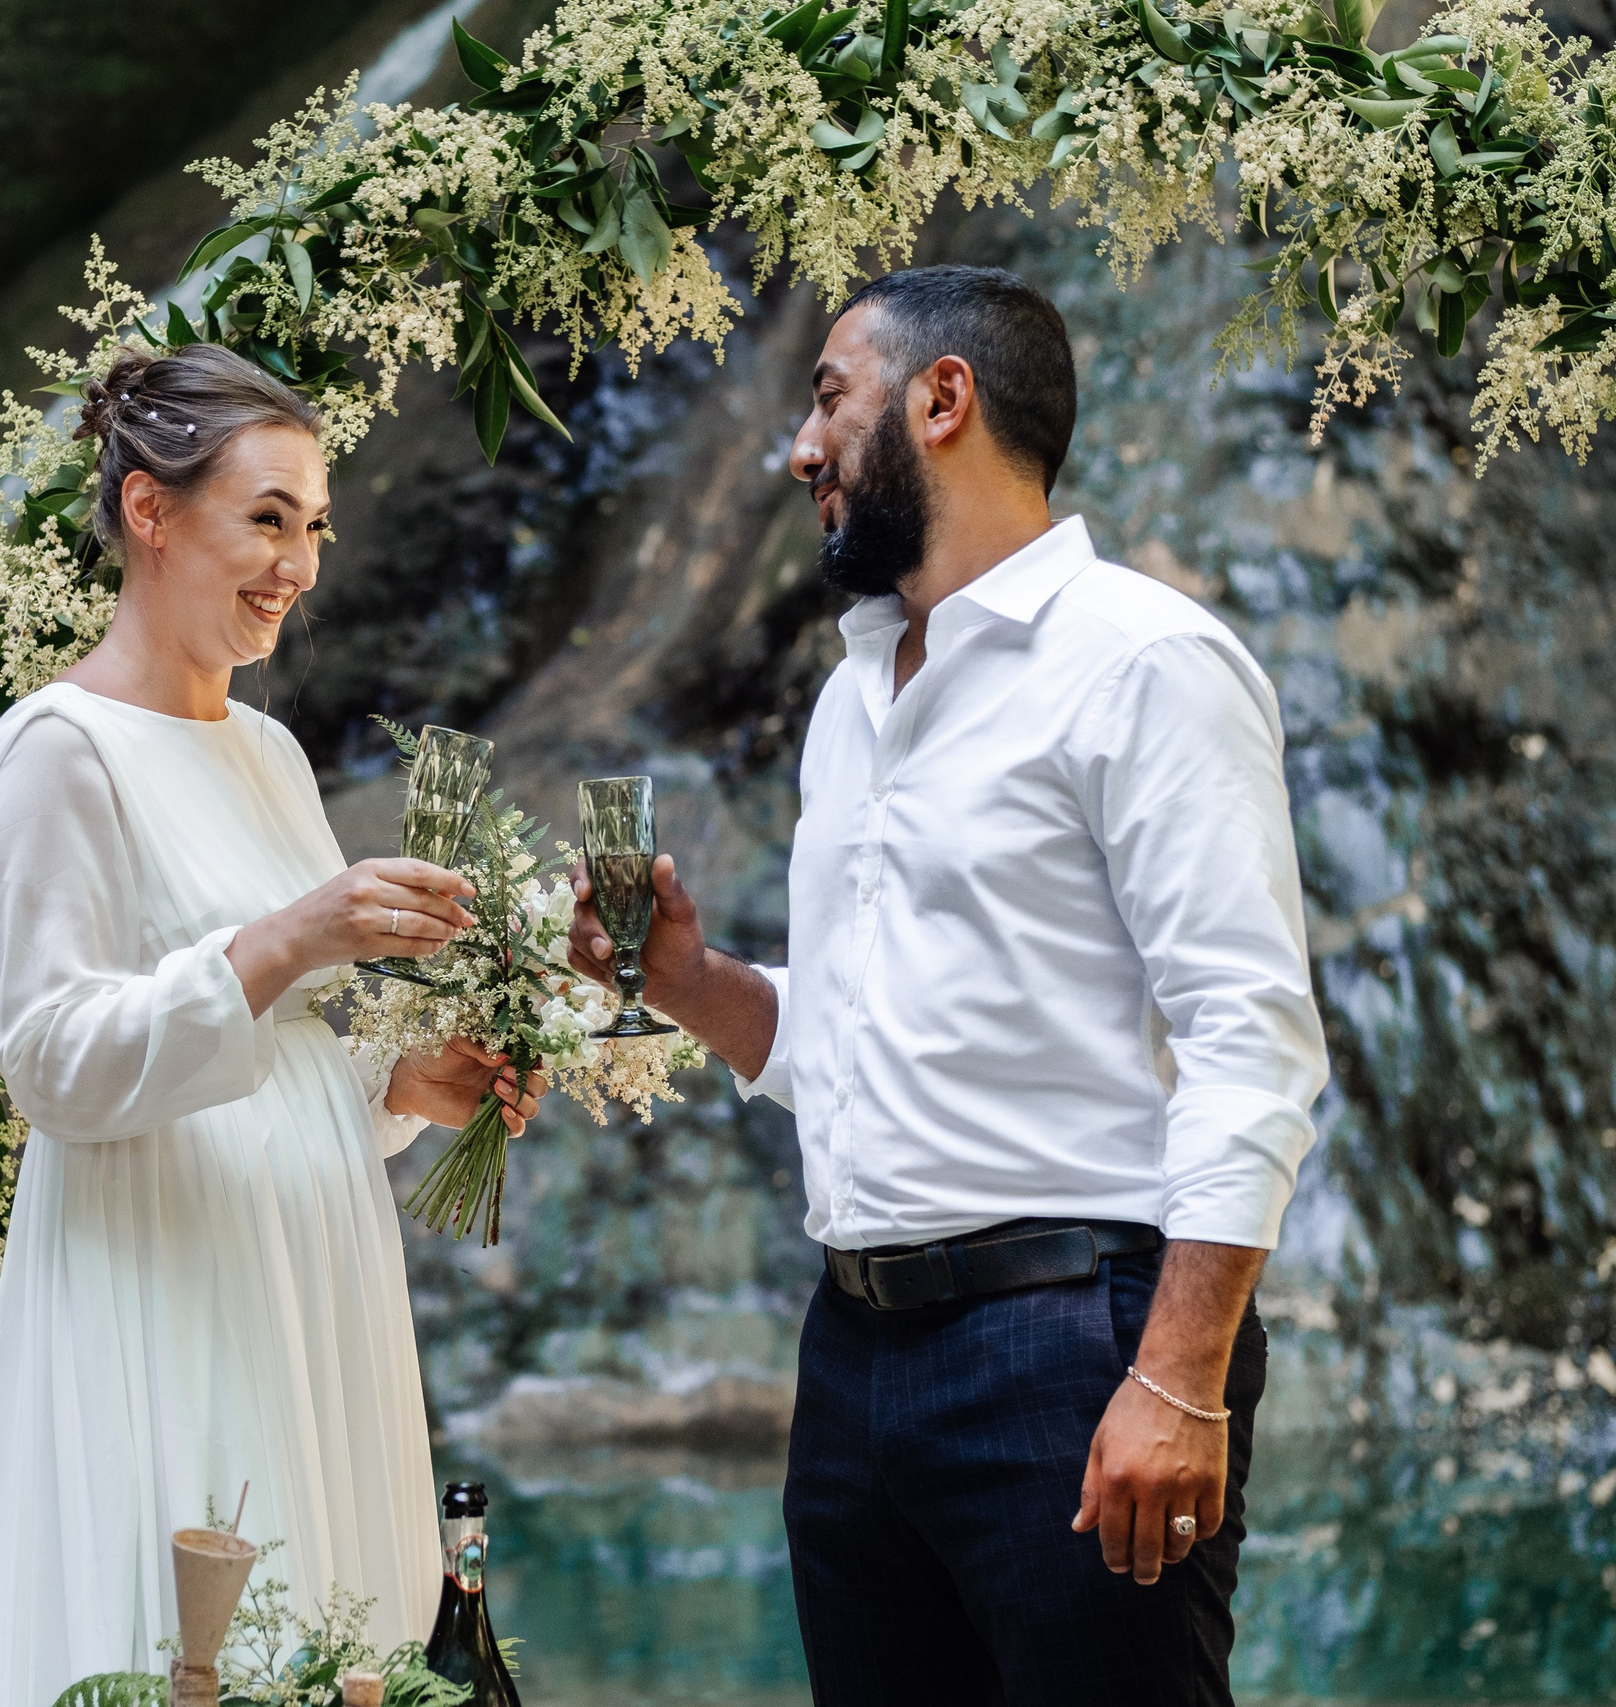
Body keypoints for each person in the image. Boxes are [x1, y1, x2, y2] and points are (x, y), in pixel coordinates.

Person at [568, 266, 1330, 1704]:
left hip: (1073, 1339)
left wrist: (1176, 1379)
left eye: (827, 398)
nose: (801, 450)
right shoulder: (859, 692)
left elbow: (1255, 1042)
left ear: (942, 399)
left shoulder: (1145, 663)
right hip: (852, 1356)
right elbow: (856, 1041)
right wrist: (689, 981)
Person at [0, 343, 541, 1698]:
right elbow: (52, 1064)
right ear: (151, 513)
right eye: (266, 518)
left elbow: (280, 1057)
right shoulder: (60, 752)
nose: (300, 565)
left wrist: (410, 1085)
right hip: (164, 1285)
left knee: (336, 1642)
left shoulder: (265, 753)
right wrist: (284, 937)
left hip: (311, 1283)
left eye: (314, 526)